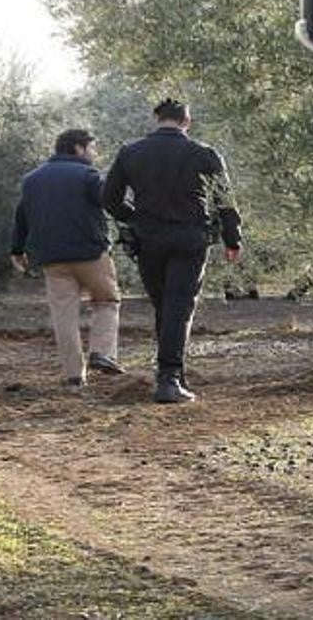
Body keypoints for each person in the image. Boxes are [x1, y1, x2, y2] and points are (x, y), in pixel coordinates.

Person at [102, 99, 242, 404]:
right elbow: (225, 202)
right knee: (178, 307)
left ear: (157, 119)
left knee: (165, 306)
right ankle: (169, 378)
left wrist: (134, 217)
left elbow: (109, 198)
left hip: (148, 240)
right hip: (190, 239)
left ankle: (171, 374)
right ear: (186, 122)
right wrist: (233, 239)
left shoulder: (131, 153)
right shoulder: (204, 154)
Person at [11, 128, 125, 388]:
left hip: (52, 259)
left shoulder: (32, 179)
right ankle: (102, 352)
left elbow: (22, 216)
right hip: (91, 254)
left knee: (64, 315)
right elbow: (110, 201)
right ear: (77, 148)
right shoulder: (88, 175)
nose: (94, 154)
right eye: (92, 148)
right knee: (107, 300)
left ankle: (74, 376)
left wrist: (17, 249)